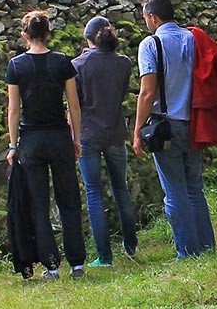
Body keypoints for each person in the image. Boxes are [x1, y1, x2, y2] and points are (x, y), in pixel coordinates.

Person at [133, 0, 215, 259]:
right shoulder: (193, 38)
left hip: (165, 126)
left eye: (145, 17)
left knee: (174, 191)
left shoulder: (151, 44)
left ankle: (187, 251)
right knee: (194, 187)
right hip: (194, 122)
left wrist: (136, 130)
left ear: (153, 17)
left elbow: (147, 92)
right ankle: (206, 245)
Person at [5, 10, 86, 281]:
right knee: (69, 200)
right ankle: (77, 263)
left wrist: (13, 145)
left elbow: (14, 110)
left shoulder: (16, 66)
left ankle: (51, 265)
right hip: (59, 138)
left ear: (24, 35)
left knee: (39, 203)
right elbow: (73, 105)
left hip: (31, 141)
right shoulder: (63, 62)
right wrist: (76, 139)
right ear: (48, 33)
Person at [72, 16, 138, 267]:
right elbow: (122, 94)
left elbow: (75, 103)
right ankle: (131, 246)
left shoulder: (78, 64)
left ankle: (105, 257)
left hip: (88, 134)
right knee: (121, 188)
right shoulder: (123, 63)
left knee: (94, 193)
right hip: (115, 132)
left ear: (88, 38)